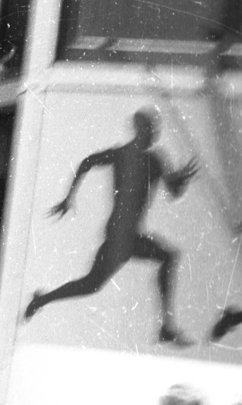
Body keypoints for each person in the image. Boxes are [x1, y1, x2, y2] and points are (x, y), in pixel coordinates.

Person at [25, 108, 197, 346]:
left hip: (129, 236)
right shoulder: (122, 155)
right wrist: (69, 196)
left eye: (154, 131)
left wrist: (182, 182)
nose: (153, 135)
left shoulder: (156, 161)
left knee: (160, 260)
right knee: (92, 284)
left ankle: (166, 327)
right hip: (118, 234)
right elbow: (87, 162)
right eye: (149, 129)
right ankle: (41, 300)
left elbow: (174, 191)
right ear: (139, 130)